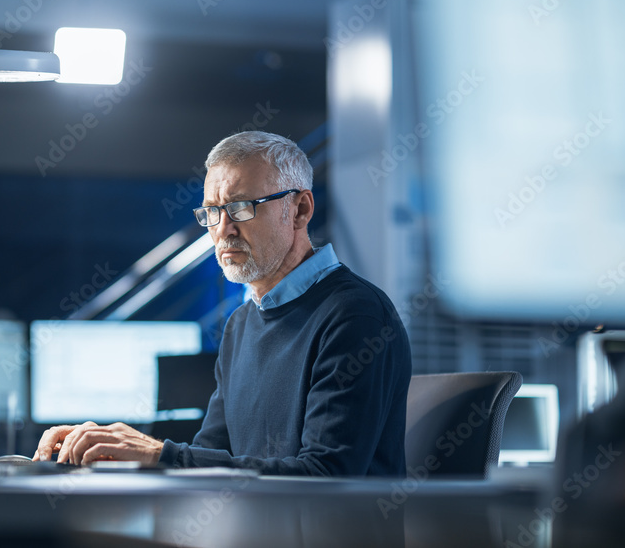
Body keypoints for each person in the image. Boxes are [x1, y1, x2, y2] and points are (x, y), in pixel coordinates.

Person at [33, 131, 411, 476]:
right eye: (212, 212)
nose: (223, 229)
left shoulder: (355, 316)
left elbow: (324, 478)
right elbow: (210, 458)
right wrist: (115, 452)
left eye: (242, 207)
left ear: (300, 209)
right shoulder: (242, 322)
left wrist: (160, 455)